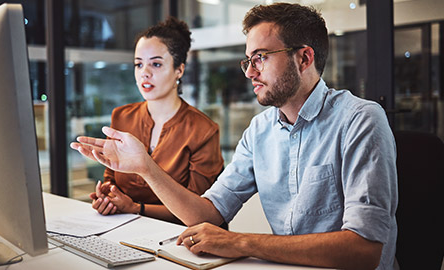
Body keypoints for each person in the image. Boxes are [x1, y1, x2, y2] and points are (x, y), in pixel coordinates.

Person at [71, 3, 398, 270]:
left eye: (261, 58)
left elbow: (364, 249)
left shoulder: (360, 120)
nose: (250, 72)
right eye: (248, 60)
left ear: (304, 58)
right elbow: (208, 213)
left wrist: (241, 242)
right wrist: (145, 167)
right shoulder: (260, 130)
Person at [71, 17, 224, 224]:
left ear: (179, 70)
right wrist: (109, 196)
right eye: (138, 64)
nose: (145, 73)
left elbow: (200, 211)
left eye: (156, 64)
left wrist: (135, 208)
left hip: (176, 239)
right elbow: (112, 177)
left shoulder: (203, 130)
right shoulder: (122, 117)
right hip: (123, 230)